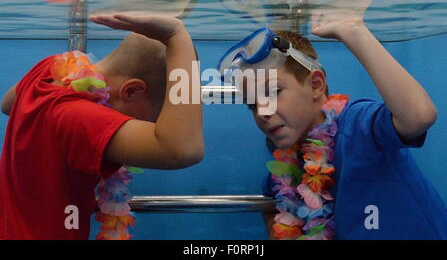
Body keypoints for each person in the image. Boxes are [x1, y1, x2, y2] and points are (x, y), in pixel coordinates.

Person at [217, 14, 447, 239]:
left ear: (316, 85)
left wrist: (355, 33)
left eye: (273, 92)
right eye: (252, 105)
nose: (262, 113)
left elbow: (419, 116)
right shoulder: (282, 175)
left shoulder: (359, 125)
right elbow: (274, 211)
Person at [0, 14, 204, 239]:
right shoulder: (78, 116)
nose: (151, 126)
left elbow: (8, 103)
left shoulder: (50, 69)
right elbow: (183, 150)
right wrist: (177, 37)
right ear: (132, 91)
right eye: (154, 119)